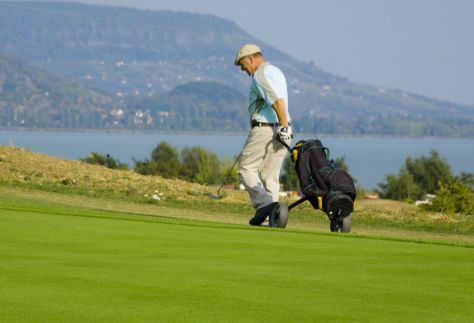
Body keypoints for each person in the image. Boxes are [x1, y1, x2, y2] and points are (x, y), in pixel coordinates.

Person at [234, 44, 292, 226]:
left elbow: (276, 100)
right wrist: (285, 128)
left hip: (266, 128)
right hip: (284, 128)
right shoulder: (277, 71)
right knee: (269, 175)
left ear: (251, 59)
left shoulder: (260, 74)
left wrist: (282, 125)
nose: (244, 70)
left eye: (244, 65)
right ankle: (272, 219)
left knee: (246, 168)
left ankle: (265, 205)